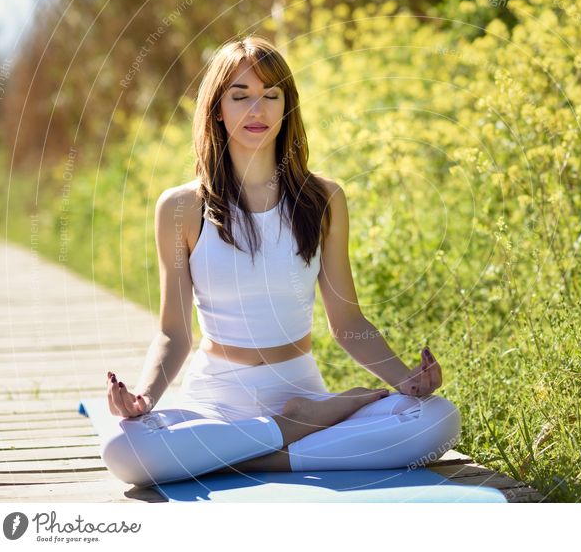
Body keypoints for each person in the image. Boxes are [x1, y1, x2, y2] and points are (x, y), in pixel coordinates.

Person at [100, 35, 461, 487]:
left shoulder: (323, 199)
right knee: (125, 450)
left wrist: (407, 380)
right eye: (241, 96)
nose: (258, 110)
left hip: (300, 388)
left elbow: (346, 319)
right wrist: (146, 398)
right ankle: (295, 431)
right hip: (214, 401)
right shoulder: (181, 208)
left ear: (287, 106)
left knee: (437, 421)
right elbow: (174, 332)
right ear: (217, 108)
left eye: (272, 95)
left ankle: (237, 452)